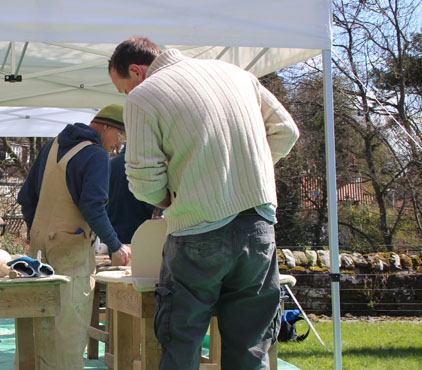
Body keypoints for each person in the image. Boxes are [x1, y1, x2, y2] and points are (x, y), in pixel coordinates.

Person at [108, 37, 300, 370]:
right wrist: (245, 174)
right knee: (251, 346)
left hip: (198, 227)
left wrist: (176, 195)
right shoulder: (237, 74)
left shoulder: (144, 95)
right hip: (258, 223)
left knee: (181, 342)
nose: (126, 96)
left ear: (137, 72)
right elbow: (286, 131)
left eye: (123, 89)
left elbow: (142, 178)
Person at [17, 104, 132, 369]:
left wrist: (40, 230)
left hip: (37, 249)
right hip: (70, 254)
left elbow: (26, 199)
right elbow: (93, 207)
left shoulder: (51, 146)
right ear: (106, 127)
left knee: (37, 321)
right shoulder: (96, 155)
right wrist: (115, 245)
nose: (119, 144)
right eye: (120, 136)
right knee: (68, 327)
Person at [107, 144, 156, 246]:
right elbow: (150, 202)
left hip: (114, 234)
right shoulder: (140, 166)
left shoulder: (110, 165)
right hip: (139, 233)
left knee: (117, 262)